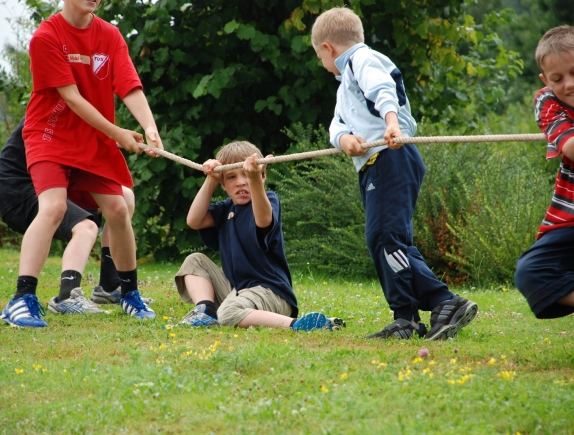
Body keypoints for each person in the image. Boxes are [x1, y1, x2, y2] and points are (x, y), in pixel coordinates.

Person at [310, 7, 477, 340]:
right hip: (375, 164)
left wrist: (390, 124)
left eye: (319, 56)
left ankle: (444, 301)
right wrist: (345, 139)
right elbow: (336, 125)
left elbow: (383, 89)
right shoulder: (345, 86)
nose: (322, 64)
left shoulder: (362, 60)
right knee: (391, 240)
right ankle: (406, 318)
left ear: (327, 48)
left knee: (384, 238)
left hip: (392, 156)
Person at [0, 0, 162, 327]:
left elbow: (128, 85)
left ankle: (128, 294)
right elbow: (71, 98)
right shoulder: (46, 36)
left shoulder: (110, 35)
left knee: (117, 208)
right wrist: (118, 134)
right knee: (54, 207)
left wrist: (149, 127)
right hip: (50, 136)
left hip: (93, 140)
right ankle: (21, 299)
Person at [174, 140, 345, 331]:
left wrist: (254, 179)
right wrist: (211, 179)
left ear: (262, 175)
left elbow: (263, 220)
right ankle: (205, 311)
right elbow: (194, 220)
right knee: (194, 260)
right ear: (224, 184)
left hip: (271, 293)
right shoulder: (226, 209)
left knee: (228, 314)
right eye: (231, 177)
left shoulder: (268, 199)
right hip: (238, 292)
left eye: (246, 174)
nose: (240, 182)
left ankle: (298, 325)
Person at [0, 119, 153, 317]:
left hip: (59, 183)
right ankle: (67, 296)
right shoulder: (56, 108)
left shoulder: (80, 108)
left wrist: (118, 137)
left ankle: (110, 286)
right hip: (19, 190)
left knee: (124, 198)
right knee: (85, 228)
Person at [515, 25, 574, 319]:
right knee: (530, 272)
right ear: (545, 81)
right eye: (558, 78)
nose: (569, 84)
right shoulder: (547, 101)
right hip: (568, 219)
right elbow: (571, 147)